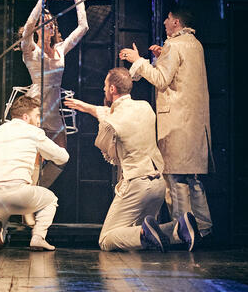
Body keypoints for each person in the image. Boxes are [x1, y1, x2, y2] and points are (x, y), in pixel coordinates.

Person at [65, 68, 198, 251]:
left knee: (106, 239)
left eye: (105, 86)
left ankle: (144, 232)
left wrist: (101, 121)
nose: (103, 89)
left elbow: (109, 153)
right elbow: (113, 113)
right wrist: (87, 107)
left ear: (112, 89)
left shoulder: (110, 123)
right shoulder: (145, 107)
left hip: (136, 184)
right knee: (135, 234)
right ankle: (178, 228)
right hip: (158, 184)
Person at [119, 6, 212, 239]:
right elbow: (180, 75)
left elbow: (161, 80)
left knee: (175, 177)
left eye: (168, 19)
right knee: (192, 177)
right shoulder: (195, 44)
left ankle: (181, 231)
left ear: (177, 22)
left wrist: (138, 61)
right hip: (194, 122)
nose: (164, 23)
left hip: (177, 121)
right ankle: (203, 226)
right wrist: (162, 57)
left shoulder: (174, 44)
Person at [0, 95, 69, 252]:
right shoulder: (34, 132)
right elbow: (63, 158)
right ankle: (38, 237)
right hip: (18, 192)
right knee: (50, 200)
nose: (39, 121)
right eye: (37, 116)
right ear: (26, 117)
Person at [20, 0, 87, 187]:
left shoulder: (60, 49)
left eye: (50, 22)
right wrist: (42, 0)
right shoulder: (31, 50)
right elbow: (28, 28)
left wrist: (78, 0)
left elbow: (83, 28)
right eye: (44, 22)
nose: (48, 24)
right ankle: (29, 198)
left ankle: (39, 190)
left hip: (53, 110)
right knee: (34, 157)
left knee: (61, 156)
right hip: (35, 108)